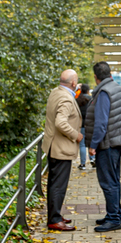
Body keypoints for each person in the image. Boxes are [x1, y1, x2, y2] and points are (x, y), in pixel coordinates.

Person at [84, 61, 121, 231]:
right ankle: (116, 213)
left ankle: (113, 219)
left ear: (96, 77)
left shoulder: (103, 92)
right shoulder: (116, 88)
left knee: (108, 181)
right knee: (114, 180)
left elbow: (101, 123)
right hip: (117, 141)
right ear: (109, 73)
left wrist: (93, 145)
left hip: (108, 143)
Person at [43, 69, 84, 231]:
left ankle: (55, 215)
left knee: (54, 183)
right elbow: (61, 122)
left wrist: (75, 92)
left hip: (53, 146)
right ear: (73, 83)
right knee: (58, 185)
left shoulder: (56, 92)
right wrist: (76, 135)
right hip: (61, 148)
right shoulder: (66, 99)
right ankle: (54, 219)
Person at [75, 83, 92, 170]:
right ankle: (93, 160)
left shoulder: (77, 100)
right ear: (88, 90)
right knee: (90, 143)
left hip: (81, 125)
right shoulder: (91, 99)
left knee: (82, 145)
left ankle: (83, 164)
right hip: (90, 125)